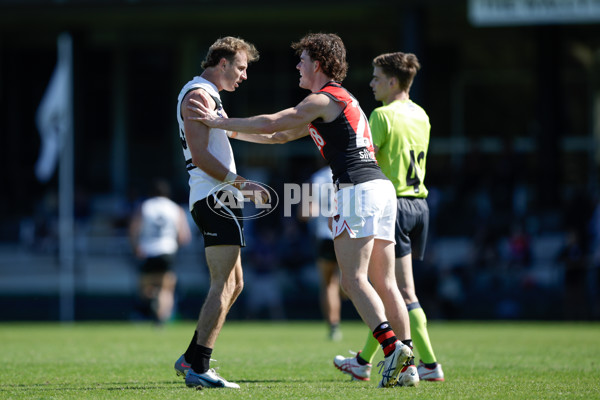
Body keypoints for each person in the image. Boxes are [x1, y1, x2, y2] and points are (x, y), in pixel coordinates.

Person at [188, 33, 416, 388]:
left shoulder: (321, 99)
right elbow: (277, 137)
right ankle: (409, 362)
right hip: (382, 190)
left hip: (357, 189)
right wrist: (232, 133)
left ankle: (392, 351)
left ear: (318, 65)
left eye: (303, 60)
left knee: (353, 281)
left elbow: (273, 121)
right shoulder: (338, 100)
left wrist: (218, 123)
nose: (298, 65)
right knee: (386, 284)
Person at [333, 52, 444, 382]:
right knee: (392, 290)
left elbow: (368, 162)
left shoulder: (381, 116)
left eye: (377, 77)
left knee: (394, 291)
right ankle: (363, 360)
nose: (371, 83)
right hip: (420, 205)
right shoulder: (421, 115)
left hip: (390, 204)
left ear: (393, 81)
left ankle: (426, 363)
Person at [172, 36, 266, 390]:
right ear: (221, 62)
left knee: (236, 283)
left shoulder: (211, 98)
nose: (243, 76)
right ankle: (200, 366)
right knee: (223, 283)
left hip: (218, 197)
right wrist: (241, 184)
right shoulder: (198, 94)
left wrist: (286, 130)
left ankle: (190, 356)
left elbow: (235, 135)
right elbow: (199, 156)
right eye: (240, 67)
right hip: (215, 198)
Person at [128, 178, 191, 325]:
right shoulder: (176, 209)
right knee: (167, 289)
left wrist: (135, 247)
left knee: (144, 287)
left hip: (148, 251)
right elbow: (184, 237)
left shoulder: (145, 206)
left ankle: (151, 299)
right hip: (167, 252)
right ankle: (161, 317)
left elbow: (133, 230)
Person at [306, 165, 343, 341]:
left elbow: (306, 212)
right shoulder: (350, 171)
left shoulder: (318, 177)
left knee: (328, 284)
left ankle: (333, 327)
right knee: (356, 280)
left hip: (325, 235)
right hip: (348, 234)